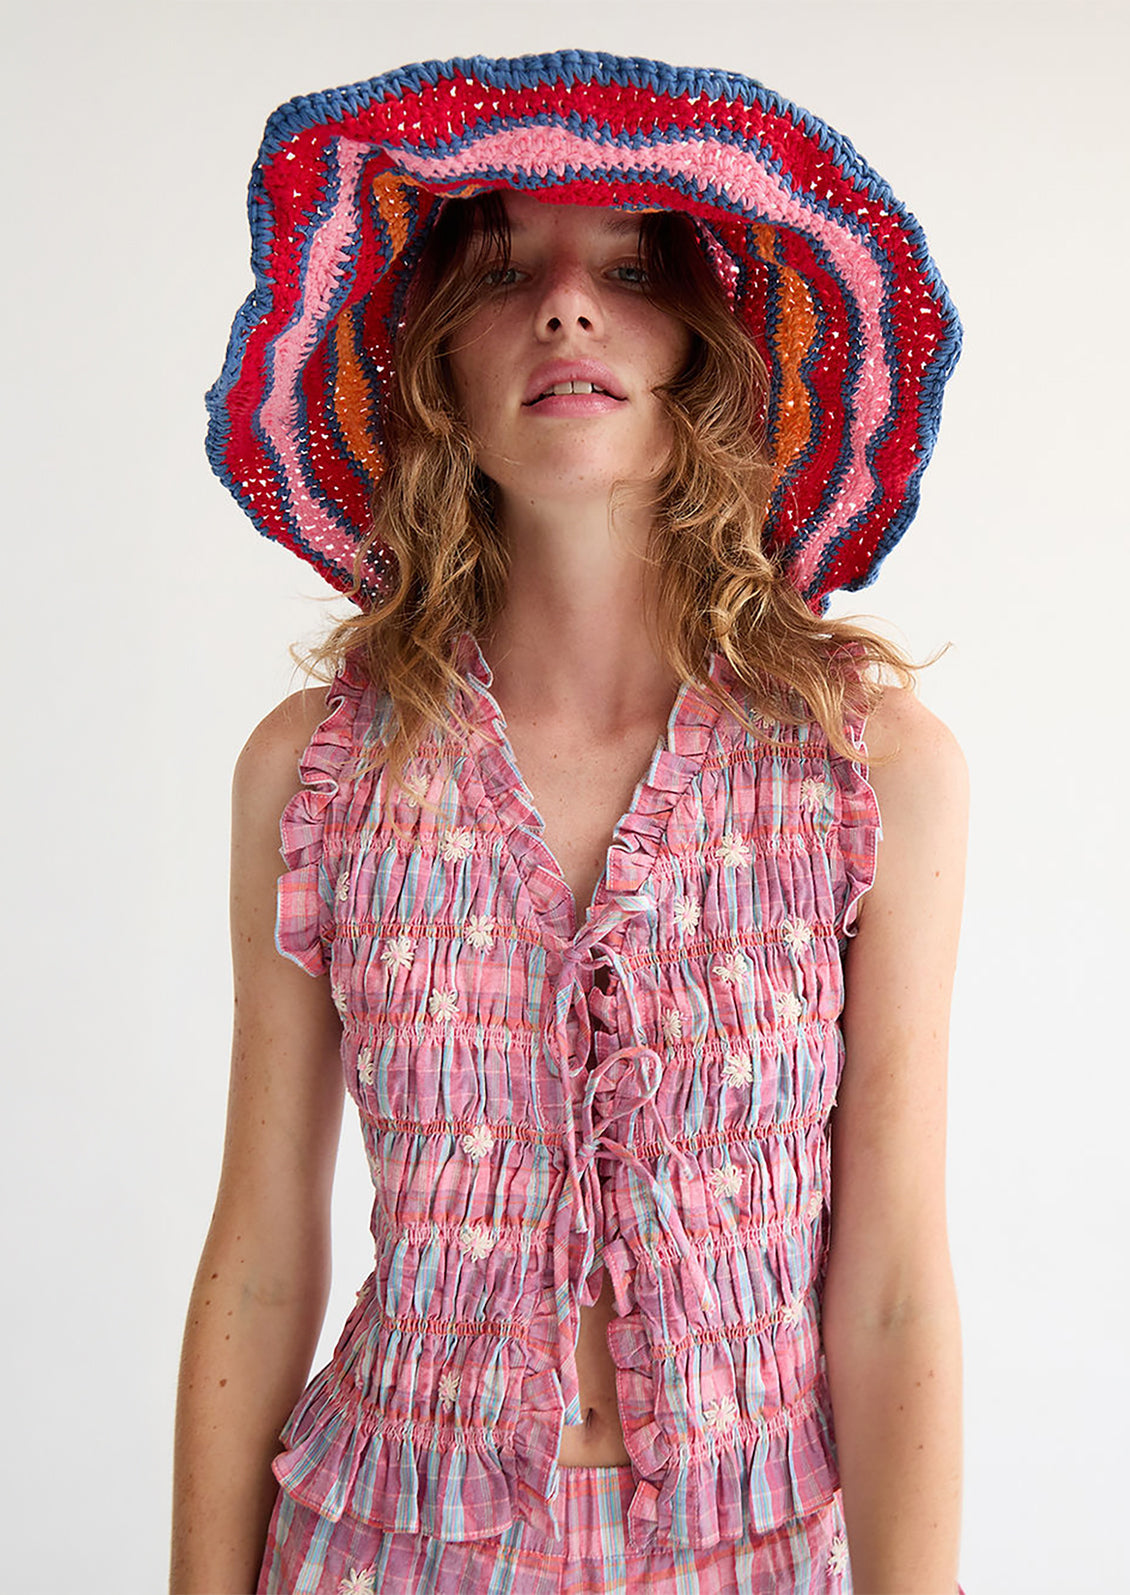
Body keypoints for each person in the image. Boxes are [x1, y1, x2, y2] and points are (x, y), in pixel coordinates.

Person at [171, 51, 969, 1595]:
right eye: (501, 271)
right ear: (432, 377)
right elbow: (261, 1249)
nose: (562, 305)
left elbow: (886, 1291)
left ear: (707, 356)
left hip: (747, 1554)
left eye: (623, 268)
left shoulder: (870, 769)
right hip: (377, 1546)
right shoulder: (319, 769)